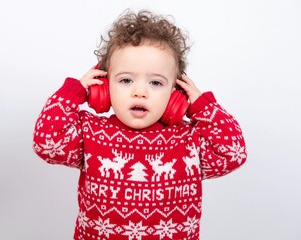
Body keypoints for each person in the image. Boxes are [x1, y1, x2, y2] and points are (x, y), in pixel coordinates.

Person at [33, 9, 247, 240]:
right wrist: (73, 92)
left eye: (156, 82)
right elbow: (47, 143)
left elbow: (232, 153)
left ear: (176, 94)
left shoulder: (189, 141)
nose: (140, 92)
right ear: (103, 87)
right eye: (126, 80)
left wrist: (203, 106)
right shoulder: (91, 132)